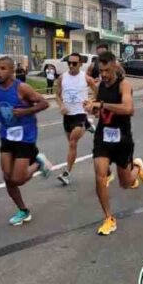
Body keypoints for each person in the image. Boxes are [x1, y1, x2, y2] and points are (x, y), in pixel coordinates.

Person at [0, 57, 53, 225]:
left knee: (18, 179)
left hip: (25, 138)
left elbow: (44, 103)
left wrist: (26, 111)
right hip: (7, 136)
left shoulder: (22, 88)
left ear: (11, 71)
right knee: (8, 178)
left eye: (2, 68)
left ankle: (38, 162)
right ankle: (23, 211)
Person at [86, 52, 143, 236]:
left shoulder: (124, 85)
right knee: (100, 175)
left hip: (122, 139)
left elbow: (128, 109)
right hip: (103, 138)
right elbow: (99, 110)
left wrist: (103, 105)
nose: (104, 74)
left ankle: (137, 167)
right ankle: (108, 218)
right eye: (101, 70)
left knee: (126, 183)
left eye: (107, 70)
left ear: (115, 66)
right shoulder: (100, 86)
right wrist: (92, 107)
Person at [54, 53, 98, 186]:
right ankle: (88, 125)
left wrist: (92, 101)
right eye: (69, 63)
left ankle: (66, 173)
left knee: (73, 142)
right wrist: (61, 105)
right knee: (71, 144)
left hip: (80, 113)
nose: (71, 66)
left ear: (80, 64)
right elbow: (56, 94)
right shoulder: (63, 77)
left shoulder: (85, 78)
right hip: (67, 116)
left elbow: (98, 91)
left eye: (74, 63)